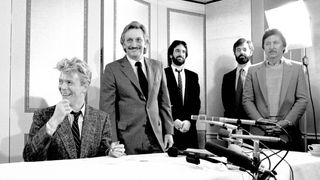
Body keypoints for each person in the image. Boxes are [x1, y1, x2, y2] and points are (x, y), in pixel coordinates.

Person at [23, 58, 125, 161]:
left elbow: (103, 150)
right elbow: (29, 157)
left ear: (84, 86)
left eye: (69, 82)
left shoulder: (102, 119)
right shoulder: (43, 116)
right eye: (61, 81)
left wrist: (110, 152)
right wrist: (53, 121)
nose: (62, 87)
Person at [99, 21, 174, 155]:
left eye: (139, 40)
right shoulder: (112, 69)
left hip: (157, 139)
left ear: (145, 43)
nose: (134, 45)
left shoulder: (158, 66)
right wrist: (113, 140)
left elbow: (164, 102)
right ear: (123, 44)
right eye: (129, 40)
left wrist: (169, 131)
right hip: (126, 141)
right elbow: (107, 109)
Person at [243, 29, 308, 151]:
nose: (271, 47)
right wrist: (260, 121)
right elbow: (247, 100)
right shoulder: (252, 70)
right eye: (267, 43)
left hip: (288, 134)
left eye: (276, 42)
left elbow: (302, 99)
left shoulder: (297, 68)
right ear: (263, 48)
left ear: (284, 46)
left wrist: (286, 122)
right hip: (259, 135)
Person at [165, 40, 201, 150]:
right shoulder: (162, 74)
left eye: (183, 52)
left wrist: (189, 122)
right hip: (170, 132)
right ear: (171, 54)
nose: (181, 54)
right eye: (177, 51)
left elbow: (196, 103)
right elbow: (160, 102)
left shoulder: (193, 76)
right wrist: (173, 120)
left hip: (189, 131)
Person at [221, 38, 254, 122]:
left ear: (251, 52)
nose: (241, 52)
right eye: (238, 50)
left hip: (253, 124)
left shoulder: (257, 74)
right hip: (232, 124)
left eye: (244, 49)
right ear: (234, 53)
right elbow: (227, 106)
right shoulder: (227, 77)